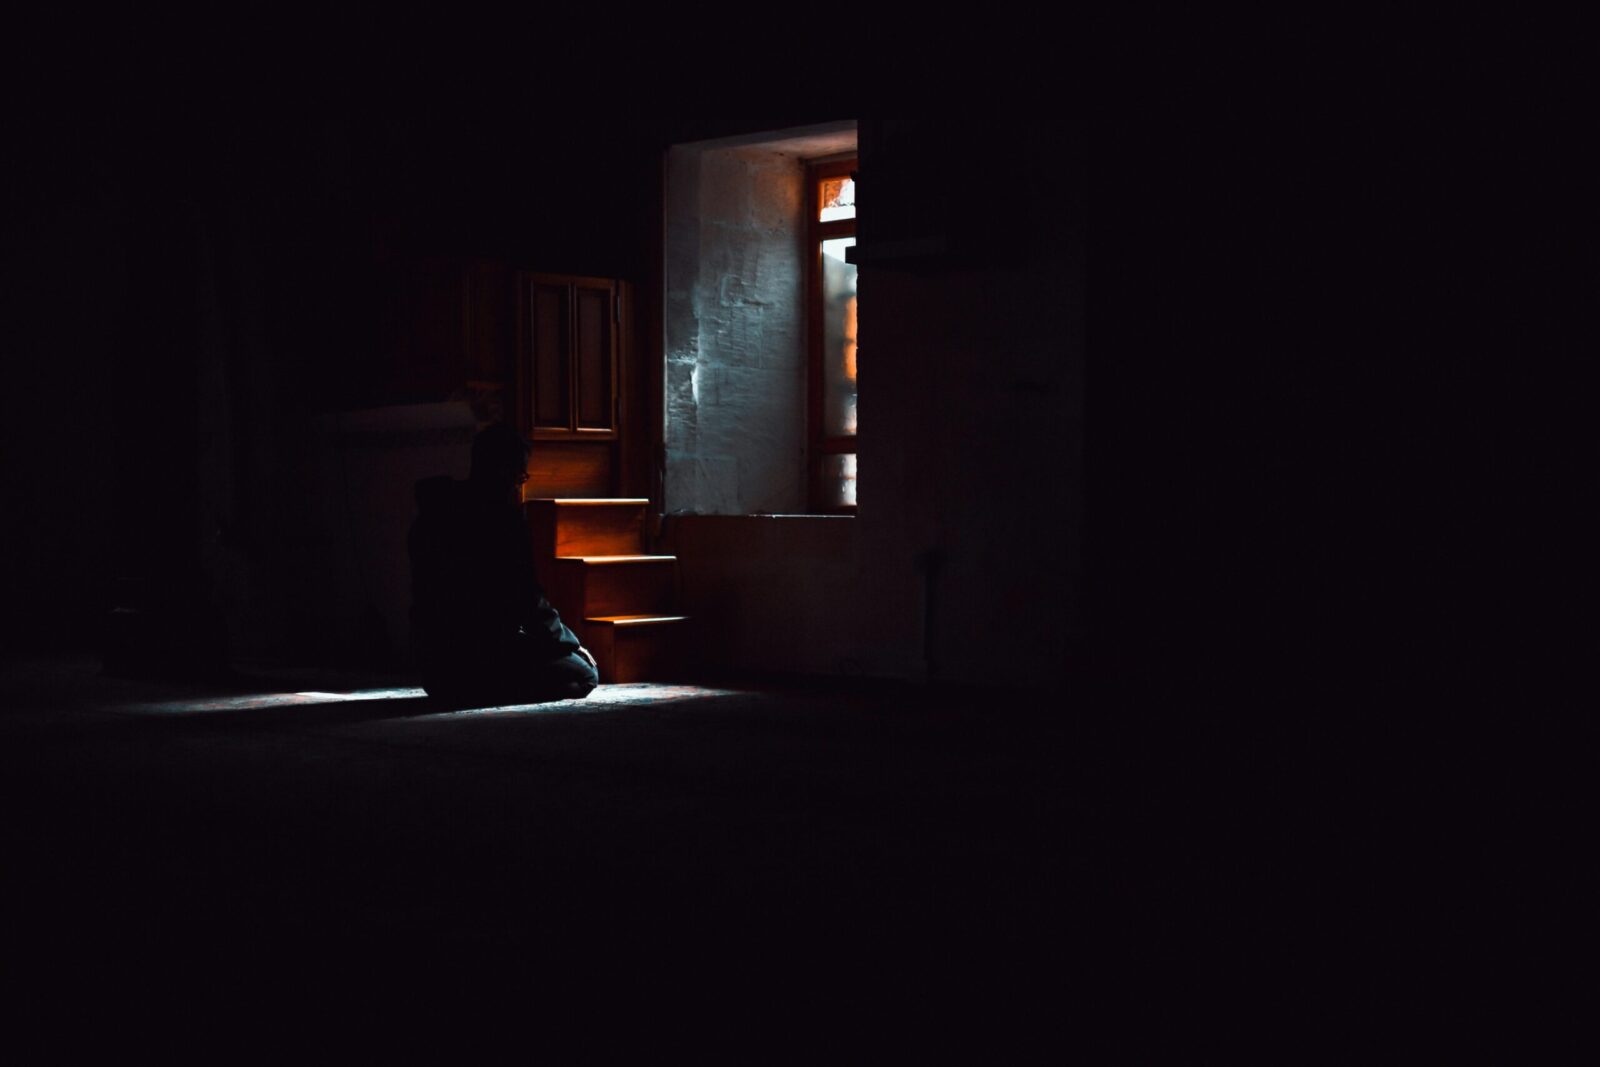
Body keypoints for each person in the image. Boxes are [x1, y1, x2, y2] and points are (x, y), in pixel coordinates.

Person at [409, 422, 599, 705]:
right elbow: (529, 603)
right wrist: (571, 644)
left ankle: (475, 689)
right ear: (503, 472)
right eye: (519, 476)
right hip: (481, 658)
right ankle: (483, 691)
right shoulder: (504, 522)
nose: (518, 485)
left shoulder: (432, 514)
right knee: (585, 674)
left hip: (435, 670)